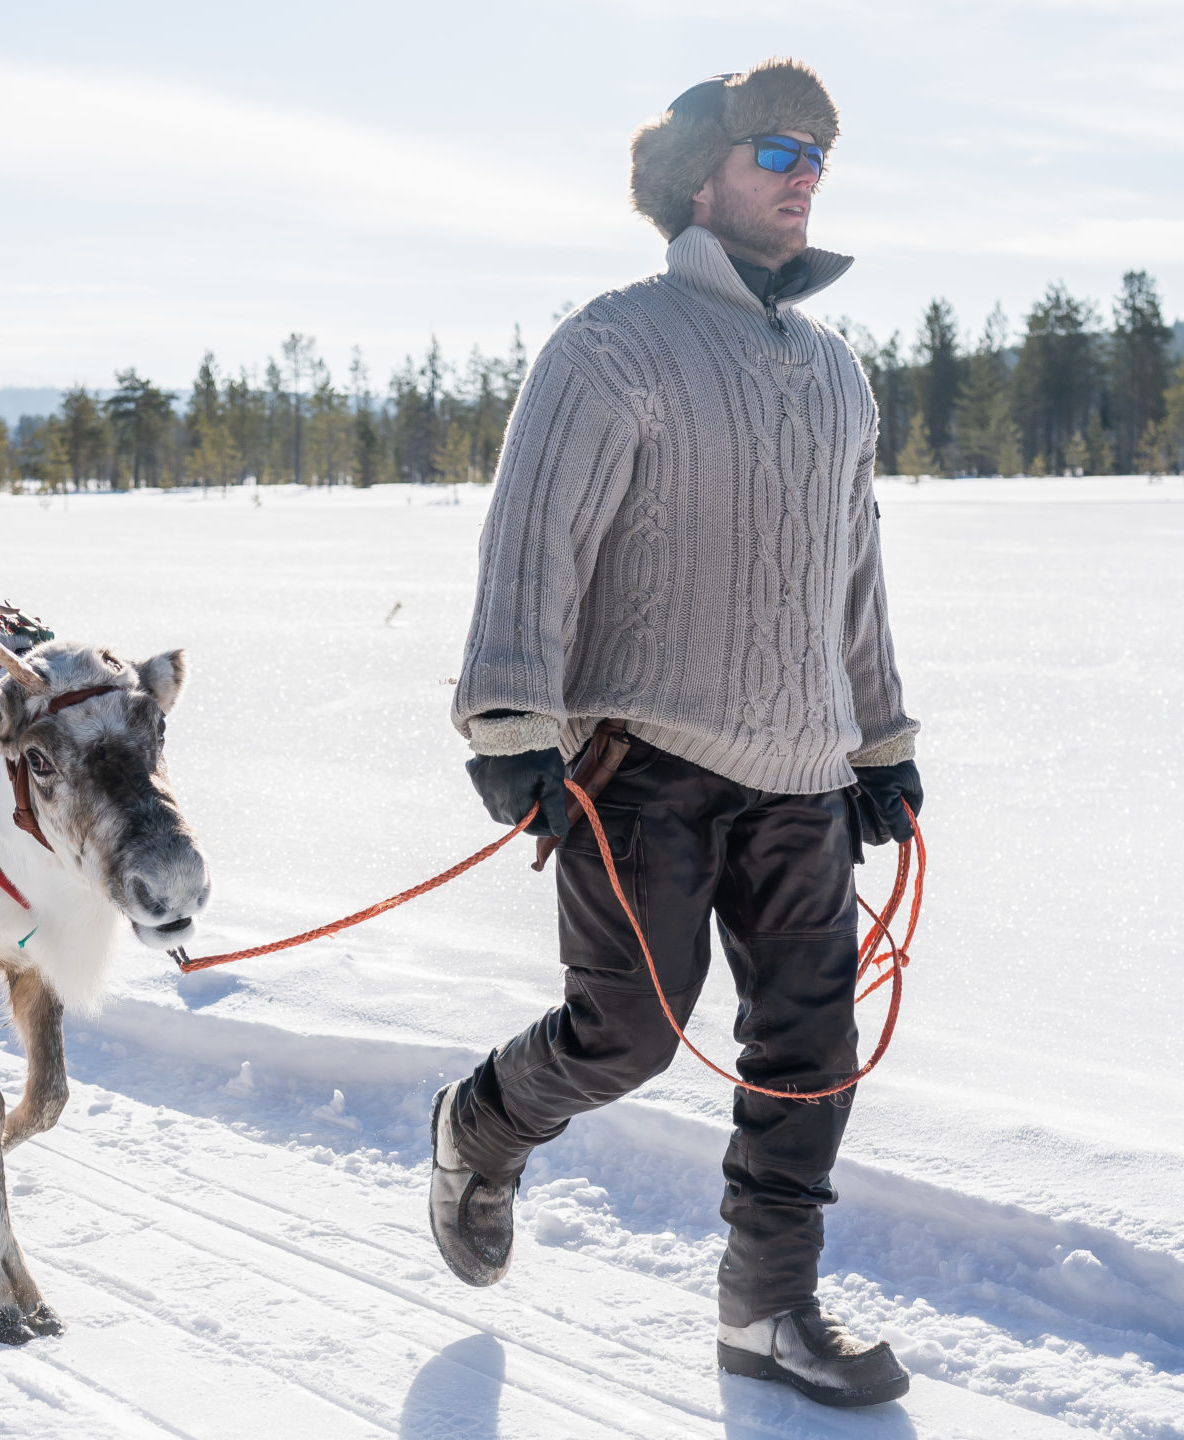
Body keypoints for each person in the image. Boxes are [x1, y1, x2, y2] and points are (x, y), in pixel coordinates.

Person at [427, 61, 924, 1410]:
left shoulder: (833, 374)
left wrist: (879, 742)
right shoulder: (614, 342)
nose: (804, 167)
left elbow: (852, 573)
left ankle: (769, 1311)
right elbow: (537, 536)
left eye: (818, 148)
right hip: (638, 767)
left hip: (805, 770)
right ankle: (482, 1125)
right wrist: (511, 718)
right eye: (777, 147)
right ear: (700, 178)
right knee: (629, 1036)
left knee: (809, 1053)